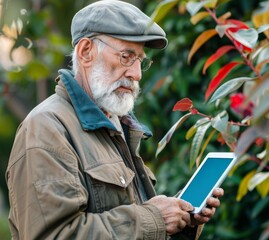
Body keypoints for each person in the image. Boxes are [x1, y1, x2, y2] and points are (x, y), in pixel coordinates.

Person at [5, 0, 224, 239]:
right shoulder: (46, 129)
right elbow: (55, 235)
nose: (136, 74)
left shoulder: (117, 124)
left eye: (140, 60)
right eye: (126, 56)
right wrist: (155, 218)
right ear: (86, 51)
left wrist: (181, 219)